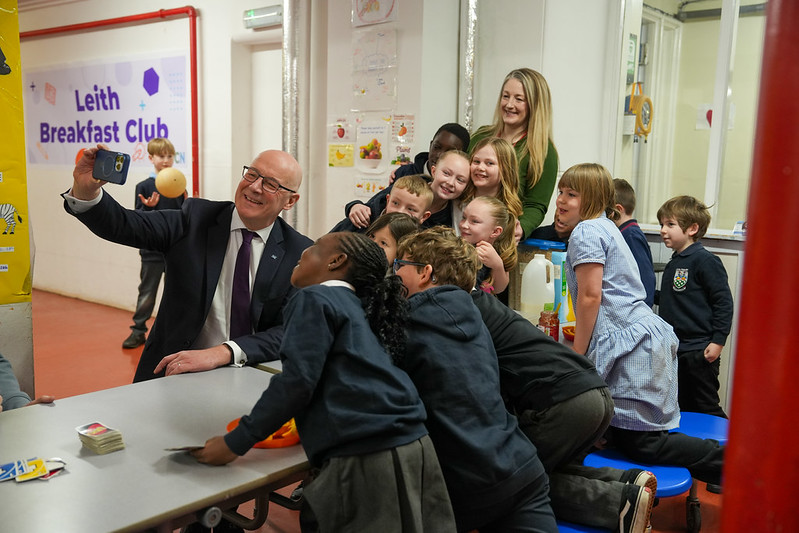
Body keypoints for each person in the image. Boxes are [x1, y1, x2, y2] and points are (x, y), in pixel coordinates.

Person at [191, 232, 456, 533]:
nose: (302, 253)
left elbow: (297, 382)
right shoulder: (352, 306)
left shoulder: (313, 298)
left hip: (366, 454)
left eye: (314, 248)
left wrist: (235, 442)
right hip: (414, 445)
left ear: (336, 261)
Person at [63, 145, 312, 382]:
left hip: (253, 374)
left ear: (290, 201)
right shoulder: (195, 219)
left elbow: (291, 330)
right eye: (252, 174)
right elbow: (124, 224)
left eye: (270, 184)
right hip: (175, 372)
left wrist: (224, 352)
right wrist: (87, 192)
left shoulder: (299, 252)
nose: (255, 187)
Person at [557, 163, 725, 487]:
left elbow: (590, 297)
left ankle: (734, 463)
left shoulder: (587, 231)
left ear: (592, 197)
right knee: (619, 432)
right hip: (640, 339)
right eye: (561, 192)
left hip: (633, 346)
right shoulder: (605, 226)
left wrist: (577, 356)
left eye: (572, 194)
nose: (562, 200)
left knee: (646, 444)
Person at [394, 227, 558, 533]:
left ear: (425, 273)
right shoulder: (475, 316)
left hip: (470, 482)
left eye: (399, 266)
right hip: (522, 467)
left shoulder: (408, 323)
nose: (394, 275)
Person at [469, 289, 655, 533]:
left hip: (565, 404)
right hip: (595, 391)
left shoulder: (465, 315)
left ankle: (617, 503)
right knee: (542, 469)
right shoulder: (492, 307)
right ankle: (624, 481)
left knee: (512, 484)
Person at [657, 195, 733, 418]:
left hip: (699, 350)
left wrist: (718, 341)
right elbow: (676, 297)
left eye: (670, 224)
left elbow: (723, 303)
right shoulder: (676, 261)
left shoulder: (704, 260)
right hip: (678, 348)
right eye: (662, 224)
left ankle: (726, 450)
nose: (663, 230)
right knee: (684, 405)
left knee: (706, 406)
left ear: (692, 228)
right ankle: (697, 449)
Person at [469, 68, 559, 238]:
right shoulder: (480, 136)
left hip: (503, 236)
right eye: (505, 96)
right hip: (465, 226)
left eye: (519, 99)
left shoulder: (543, 151)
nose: (509, 104)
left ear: (535, 105)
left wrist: (521, 228)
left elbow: (536, 205)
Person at [122, 138, 186, 349]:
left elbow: (183, 217)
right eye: (161, 156)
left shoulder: (178, 184)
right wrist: (149, 207)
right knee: (147, 292)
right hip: (152, 252)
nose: (166, 160)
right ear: (151, 158)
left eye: (170, 156)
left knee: (175, 292)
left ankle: (172, 332)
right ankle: (138, 330)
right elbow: (137, 221)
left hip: (175, 249)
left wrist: (189, 203)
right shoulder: (145, 186)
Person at [344, 123, 470, 230]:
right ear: (433, 171)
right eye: (446, 173)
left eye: (460, 179)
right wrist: (355, 205)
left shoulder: (451, 213)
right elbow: (373, 206)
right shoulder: (406, 174)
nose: (440, 155)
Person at [329, 174, 432, 233]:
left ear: (424, 217)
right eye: (395, 203)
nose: (400, 212)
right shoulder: (364, 219)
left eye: (410, 209)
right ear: (388, 200)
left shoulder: (419, 245)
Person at [458, 196, 517, 295]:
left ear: (495, 231)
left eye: (474, 221)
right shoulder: (455, 247)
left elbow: (498, 289)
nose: (464, 225)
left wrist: (497, 265)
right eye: (464, 218)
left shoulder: (498, 253)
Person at [613, 178, 655, 308]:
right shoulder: (623, 233)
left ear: (617, 209)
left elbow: (645, 278)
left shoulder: (630, 236)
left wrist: (643, 310)